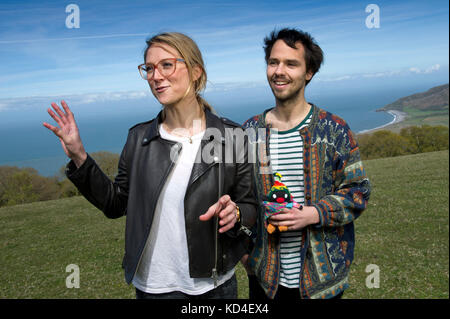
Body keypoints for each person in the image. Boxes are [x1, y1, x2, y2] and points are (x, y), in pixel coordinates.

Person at [43, 32, 257, 299]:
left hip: (214, 287)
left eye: (166, 65)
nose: (156, 76)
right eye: (149, 68)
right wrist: (79, 157)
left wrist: (235, 213)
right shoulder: (138, 138)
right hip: (153, 288)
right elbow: (115, 204)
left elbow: (250, 205)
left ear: (195, 72)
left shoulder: (232, 137)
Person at [242, 28, 371, 300]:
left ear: (308, 72)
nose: (279, 71)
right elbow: (238, 198)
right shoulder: (249, 132)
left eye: (291, 64)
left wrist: (312, 214)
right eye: (273, 62)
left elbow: (358, 192)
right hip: (265, 279)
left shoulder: (334, 130)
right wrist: (244, 250)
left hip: (323, 281)